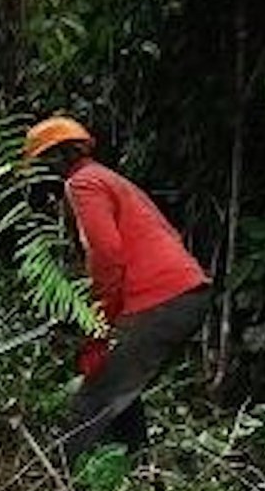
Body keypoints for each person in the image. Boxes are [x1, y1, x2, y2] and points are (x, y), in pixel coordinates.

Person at [23, 116, 211, 469]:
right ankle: (139, 470)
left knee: (95, 397)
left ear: (56, 161)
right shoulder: (105, 178)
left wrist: (99, 318)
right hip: (182, 295)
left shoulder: (83, 184)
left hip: (160, 298)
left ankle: (55, 479)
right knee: (121, 384)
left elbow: (106, 255)